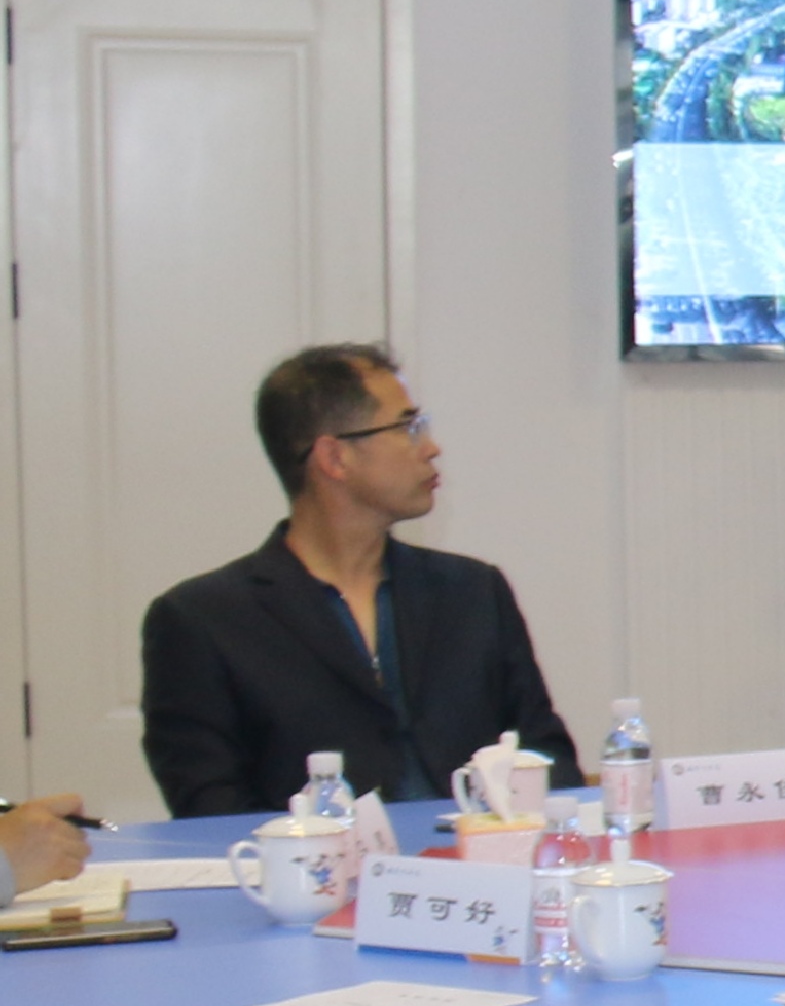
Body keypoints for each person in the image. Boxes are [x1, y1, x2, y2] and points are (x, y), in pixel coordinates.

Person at [143, 343, 576, 816]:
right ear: (334, 457)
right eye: (408, 427)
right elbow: (210, 810)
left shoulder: (473, 592)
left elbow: (547, 760)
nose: (431, 448)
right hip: (312, 861)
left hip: (482, 856)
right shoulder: (202, 620)